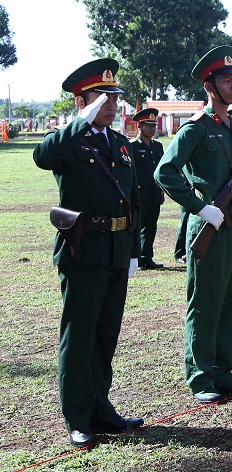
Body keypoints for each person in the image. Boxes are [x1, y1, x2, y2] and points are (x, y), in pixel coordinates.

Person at [33, 58, 143, 446]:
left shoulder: (121, 143)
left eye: (114, 98)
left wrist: (134, 251)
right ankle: (78, 417)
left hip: (115, 249)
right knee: (79, 338)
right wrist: (80, 120)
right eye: (102, 98)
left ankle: (100, 406)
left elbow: (132, 200)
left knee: (105, 335)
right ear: (82, 102)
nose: (111, 105)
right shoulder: (70, 139)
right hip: (83, 251)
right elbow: (43, 157)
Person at [155, 46, 232, 404]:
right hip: (209, 226)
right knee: (204, 302)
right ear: (210, 86)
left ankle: (222, 369)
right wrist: (199, 208)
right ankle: (201, 375)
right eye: (226, 81)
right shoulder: (196, 129)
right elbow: (165, 172)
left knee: (231, 300)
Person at [130, 108, 165, 269]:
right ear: (140, 126)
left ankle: (147, 256)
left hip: (154, 194)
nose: (152, 129)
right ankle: (134, 257)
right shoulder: (132, 146)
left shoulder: (158, 146)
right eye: (149, 125)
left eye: (154, 125)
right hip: (138, 194)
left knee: (151, 227)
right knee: (136, 227)